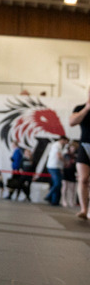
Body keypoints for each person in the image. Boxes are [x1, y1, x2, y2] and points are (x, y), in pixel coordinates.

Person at [70, 86, 90, 219]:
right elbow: (72, 122)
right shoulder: (80, 108)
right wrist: (87, 109)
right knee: (83, 179)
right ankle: (83, 209)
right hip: (85, 145)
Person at [44, 136, 66, 206]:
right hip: (54, 167)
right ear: (62, 140)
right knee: (57, 183)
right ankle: (49, 195)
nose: (66, 143)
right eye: (66, 141)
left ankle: (55, 201)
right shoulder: (57, 145)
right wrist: (65, 162)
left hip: (56, 167)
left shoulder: (58, 146)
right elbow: (58, 156)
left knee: (57, 184)